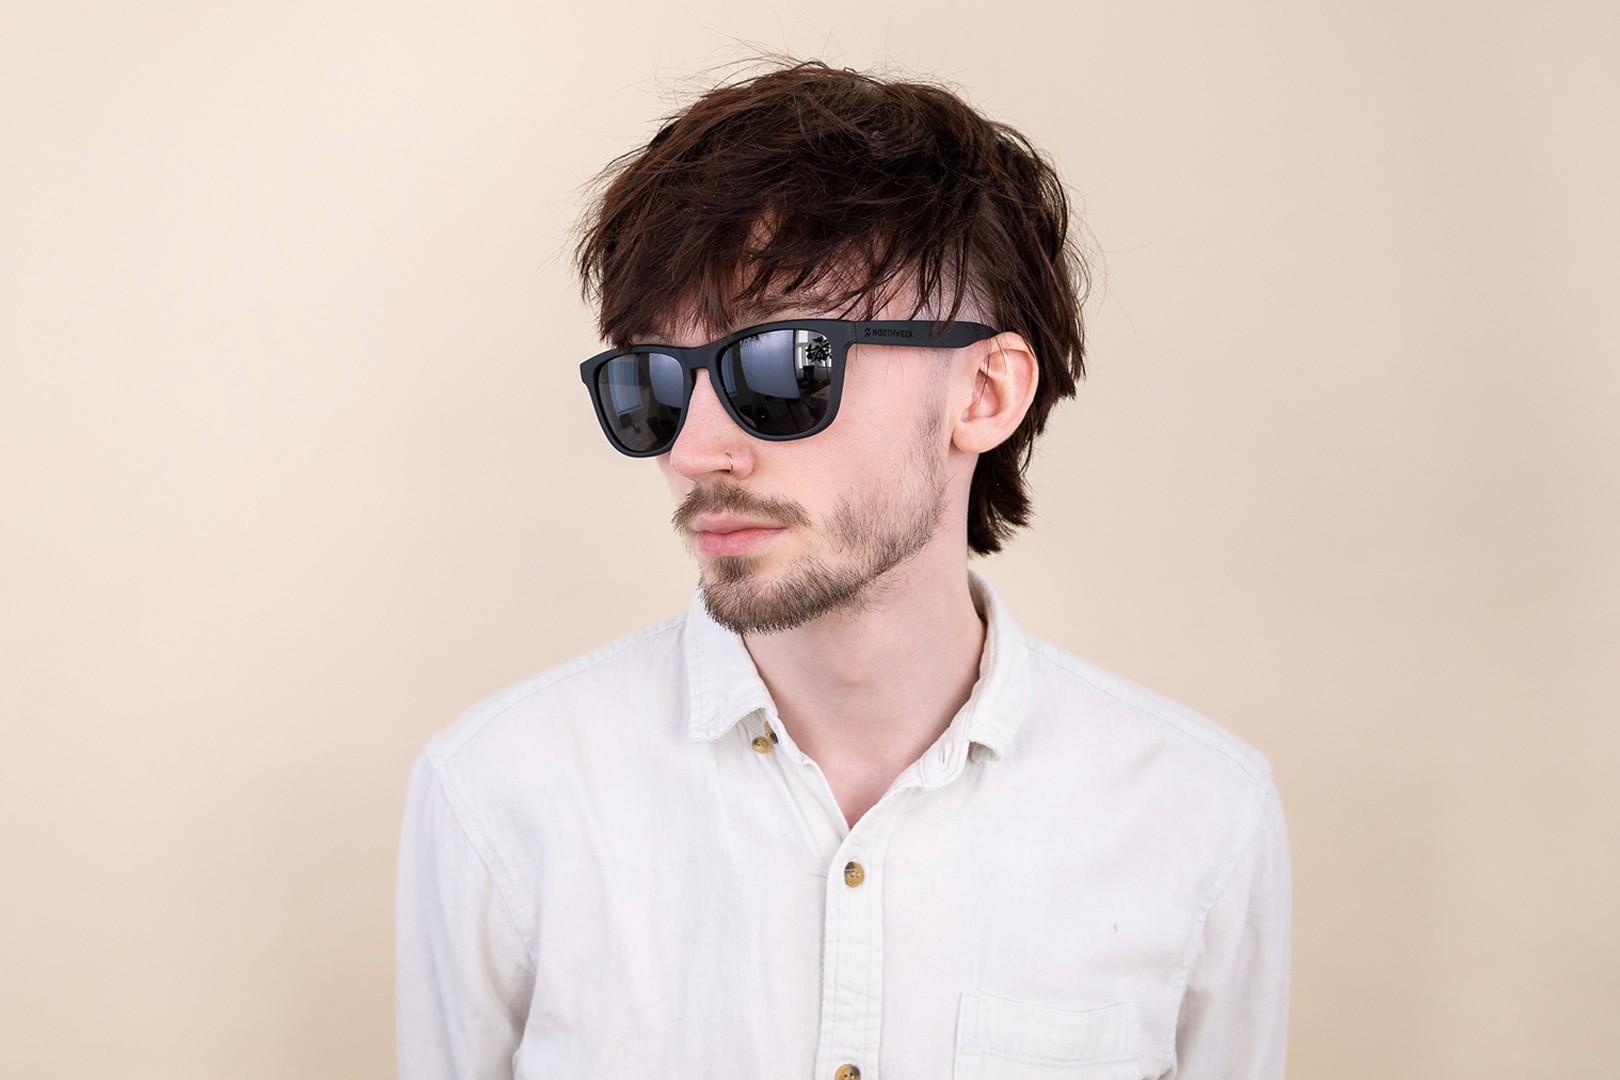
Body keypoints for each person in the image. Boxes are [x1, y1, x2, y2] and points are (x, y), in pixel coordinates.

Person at [396, 60, 1290, 1079]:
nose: (694, 450)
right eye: (654, 381)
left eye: (782, 365)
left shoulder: (1197, 817)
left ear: (985, 392)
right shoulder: (502, 794)